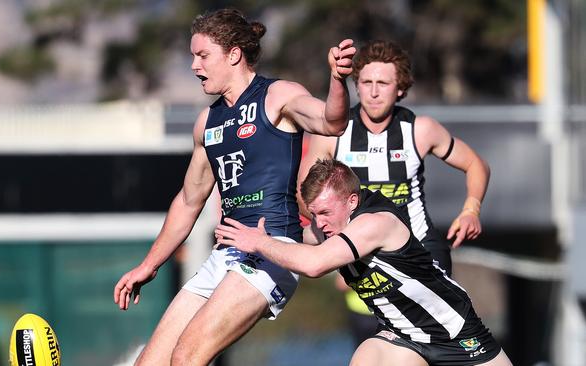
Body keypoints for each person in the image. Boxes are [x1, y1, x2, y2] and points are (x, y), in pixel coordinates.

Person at [113, 8, 356, 365]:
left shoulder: (278, 96)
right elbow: (188, 200)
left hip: (271, 249)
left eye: (202, 56)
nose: (195, 66)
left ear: (234, 55)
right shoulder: (208, 122)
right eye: (192, 56)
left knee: (187, 357)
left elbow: (331, 121)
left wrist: (337, 80)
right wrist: (150, 265)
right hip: (225, 255)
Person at [216, 159, 511, 366]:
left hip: (456, 333)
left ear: (352, 202)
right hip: (403, 335)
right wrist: (260, 231)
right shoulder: (334, 223)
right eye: (314, 214)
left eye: (325, 213)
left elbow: (314, 265)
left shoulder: (376, 224)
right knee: (365, 359)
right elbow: (299, 236)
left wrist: (257, 242)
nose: (320, 223)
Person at [297, 39, 491, 340]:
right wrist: (331, 246)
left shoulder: (420, 129)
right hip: (362, 259)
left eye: (383, 83)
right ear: (356, 86)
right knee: (380, 346)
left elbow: (476, 164)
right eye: (367, 82)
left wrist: (471, 209)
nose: (374, 92)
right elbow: (303, 196)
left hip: (422, 253)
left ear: (400, 88)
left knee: (425, 341)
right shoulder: (334, 135)